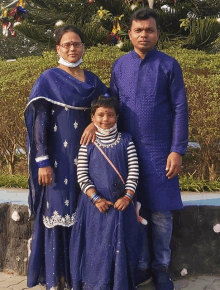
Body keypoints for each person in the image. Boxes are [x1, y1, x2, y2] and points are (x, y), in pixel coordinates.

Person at [110, 8, 188, 290]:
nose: (144, 35)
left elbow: (180, 108)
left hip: (160, 151)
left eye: (150, 30)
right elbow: (112, 107)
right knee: (134, 209)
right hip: (127, 151)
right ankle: (141, 266)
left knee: (160, 213)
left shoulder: (169, 65)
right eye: (139, 30)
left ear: (157, 33)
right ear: (129, 33)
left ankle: (161, 268)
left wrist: (177, 149)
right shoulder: (119, 66)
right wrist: (97, 127)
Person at [24, 25, 107, 290]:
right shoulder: (48, 79)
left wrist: (94, 123)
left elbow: (109, 107)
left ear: (83, 47)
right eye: (67, 44)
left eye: (77, 44)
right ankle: (56, 280)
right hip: (57, 162)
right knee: (58, 213)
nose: (72, 48)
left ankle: (80, 278)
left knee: (84, 215)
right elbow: (40, 124)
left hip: (86, 160)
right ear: (58, 48)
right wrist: (43, 162)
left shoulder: (93, 82)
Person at [69, 95, 139, 290]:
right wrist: (95, 197)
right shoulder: (88, 142)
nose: (105, 120)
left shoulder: (126, 141)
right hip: (94, 209)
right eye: (100, 115)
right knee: (96, 248)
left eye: (110, 115)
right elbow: (82, 174)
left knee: (119, 248)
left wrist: (127, 196)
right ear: (92, 117)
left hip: (120, 207)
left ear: (117, 116)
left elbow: (134, 170)